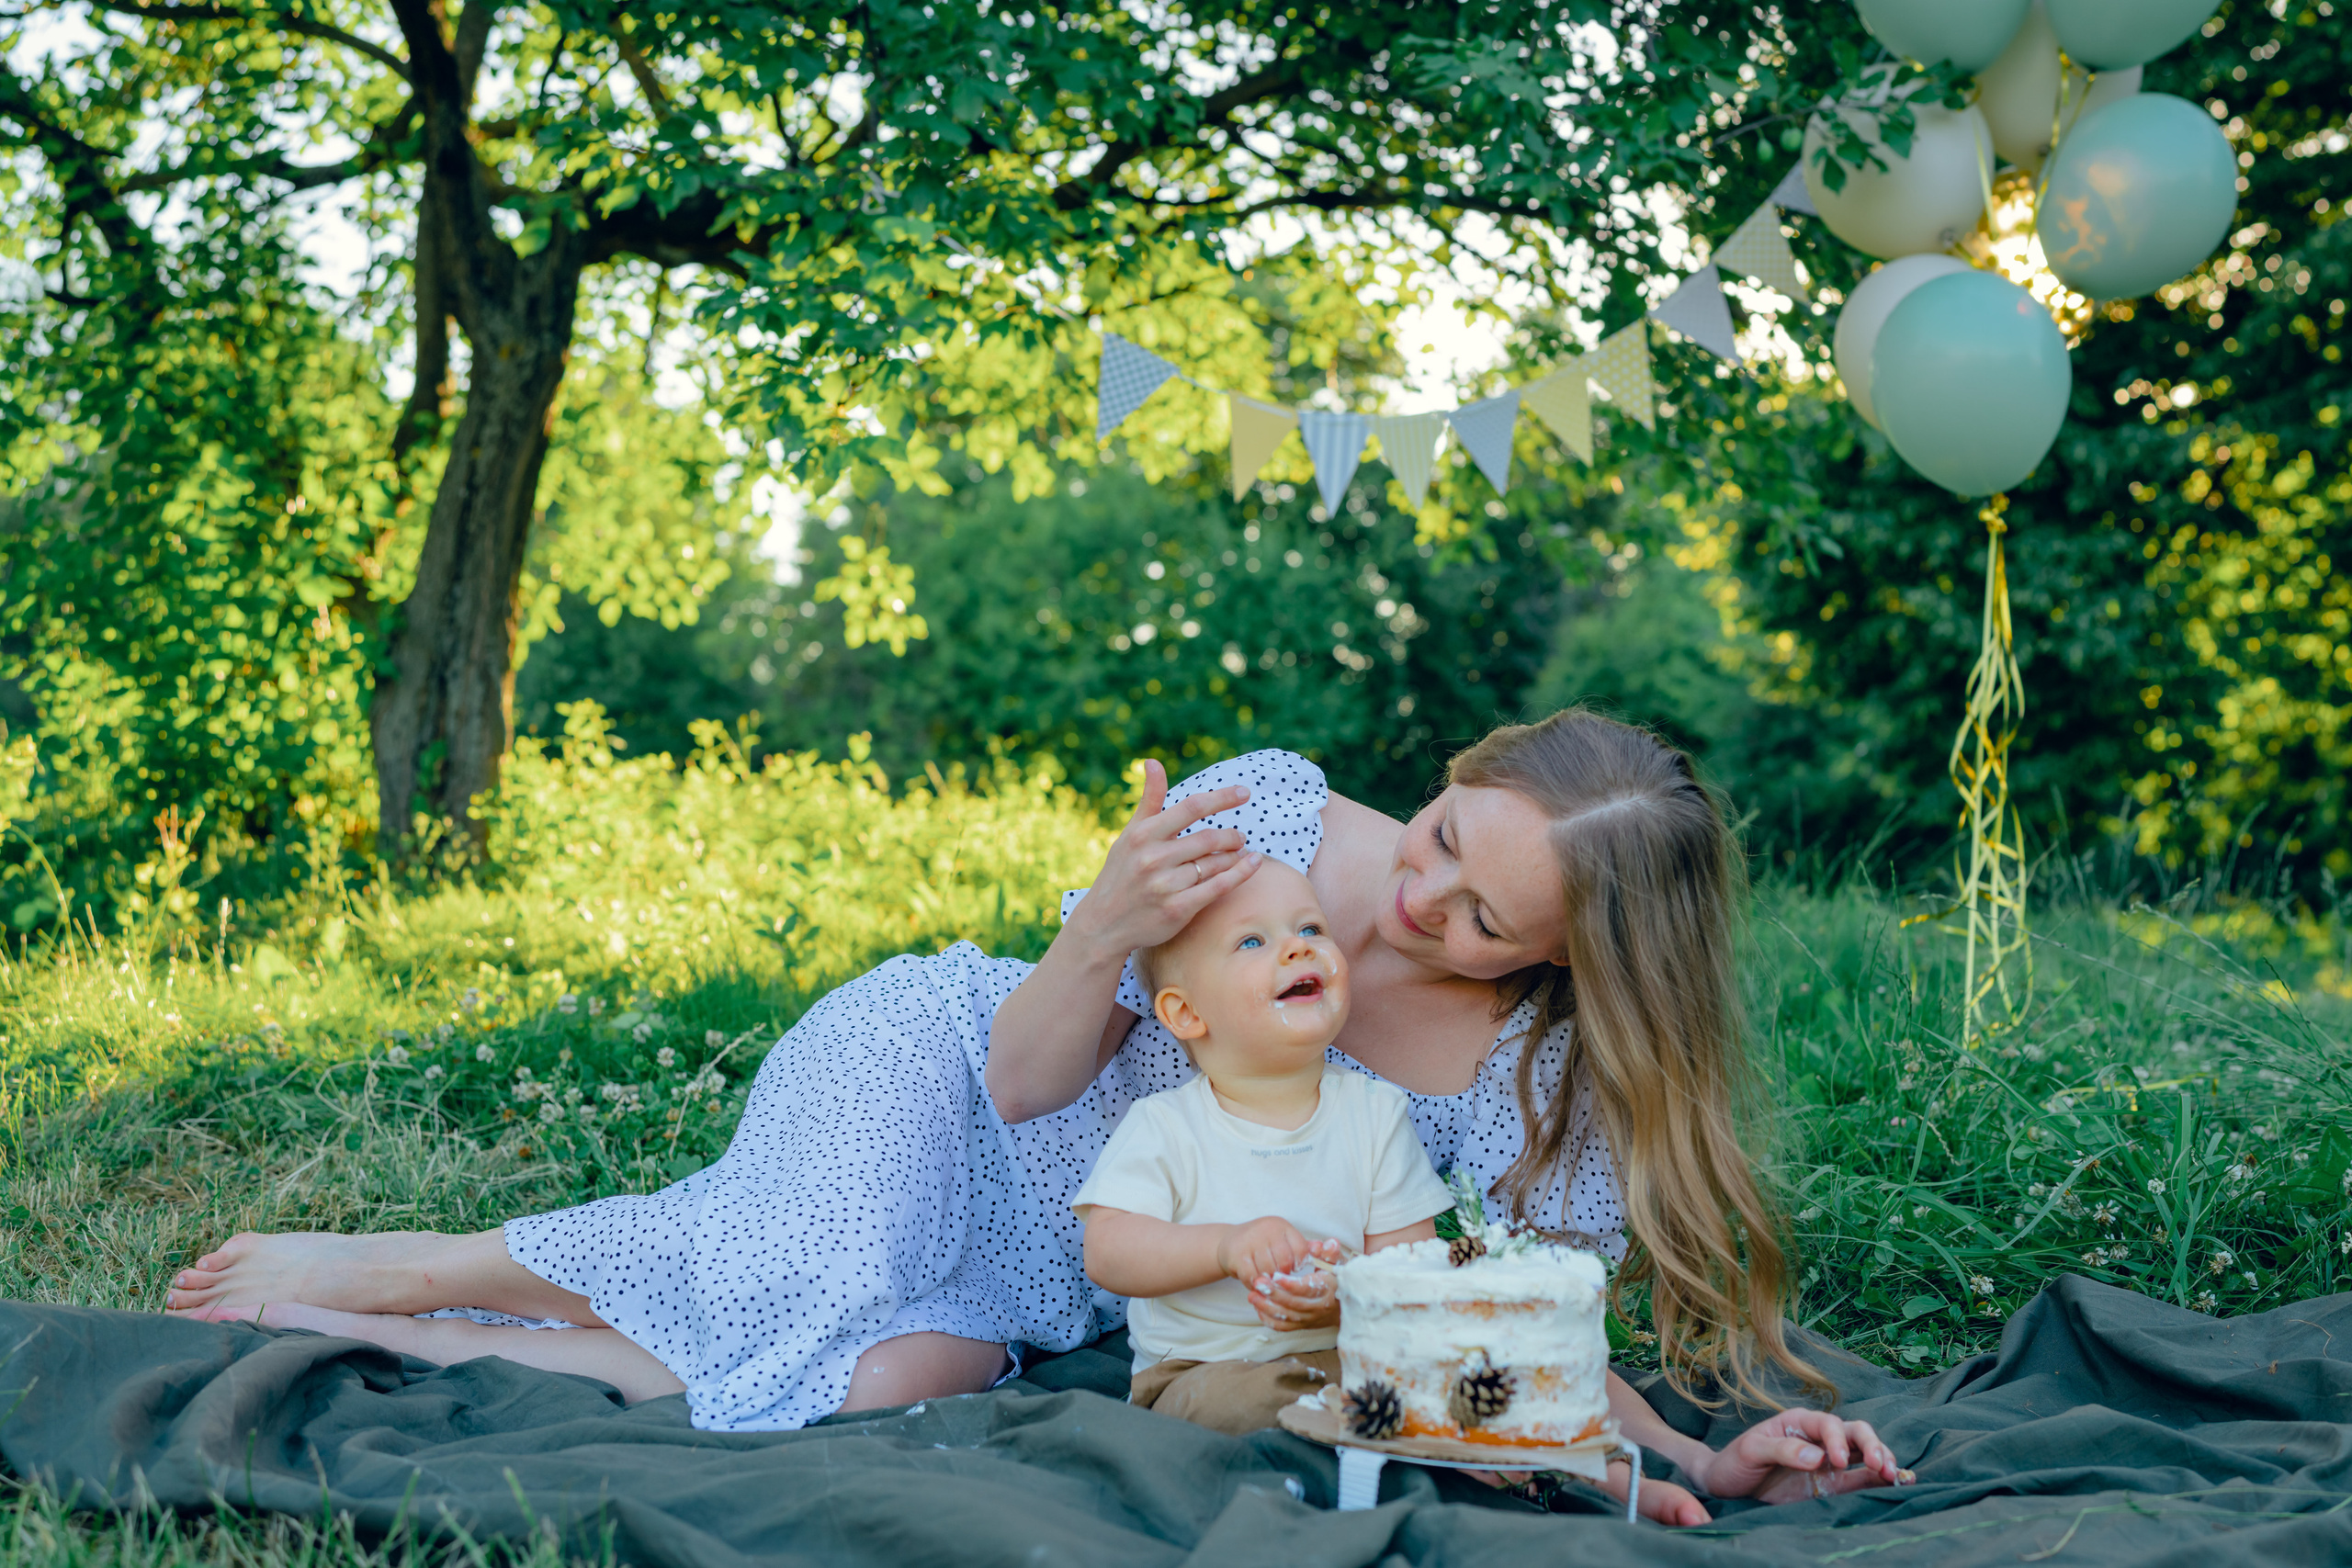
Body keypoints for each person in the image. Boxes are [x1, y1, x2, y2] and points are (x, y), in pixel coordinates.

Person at [166, 711, 1900, 1523]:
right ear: (1456, 777)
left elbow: (1497, 1335)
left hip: (1068, 1255)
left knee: (852, 1385)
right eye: (1446, 839)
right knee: (801, 1262)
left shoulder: (1549, 1102)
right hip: (948, 1073)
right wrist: (1108, 922)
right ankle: (423, 1267)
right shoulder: (1274, 817)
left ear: (1571, 965)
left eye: (1482, 922)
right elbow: (1018, 1078)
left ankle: (394, 1327)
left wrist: (1685, 1457)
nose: (1413, 912)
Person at [1074, 858, 1450, 1435]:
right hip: (1204, 1374)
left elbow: (1412, 1272)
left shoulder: (1374, 1115)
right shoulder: (1166, 1126)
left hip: (1351, 1359)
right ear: (1186, 1012)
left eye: (1310, 930)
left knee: (1464, 1366)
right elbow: (1109, 1251)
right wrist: (1225, 1247)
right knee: (1255, 1405)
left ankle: (1452, 1448)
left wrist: (1347, 1297)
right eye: (1252, 941)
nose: (1298, 950)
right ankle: (1382, 1443)